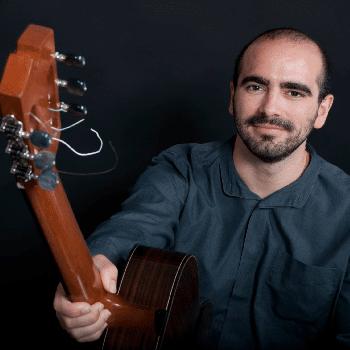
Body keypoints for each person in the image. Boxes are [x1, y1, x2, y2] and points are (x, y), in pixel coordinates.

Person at [53, 27, 350, 349]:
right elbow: (131, 228)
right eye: (255, 86)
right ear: (233, 97)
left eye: (294, 92)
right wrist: (87, 274)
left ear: (322, 109)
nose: (270, 108)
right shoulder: (180, 169)